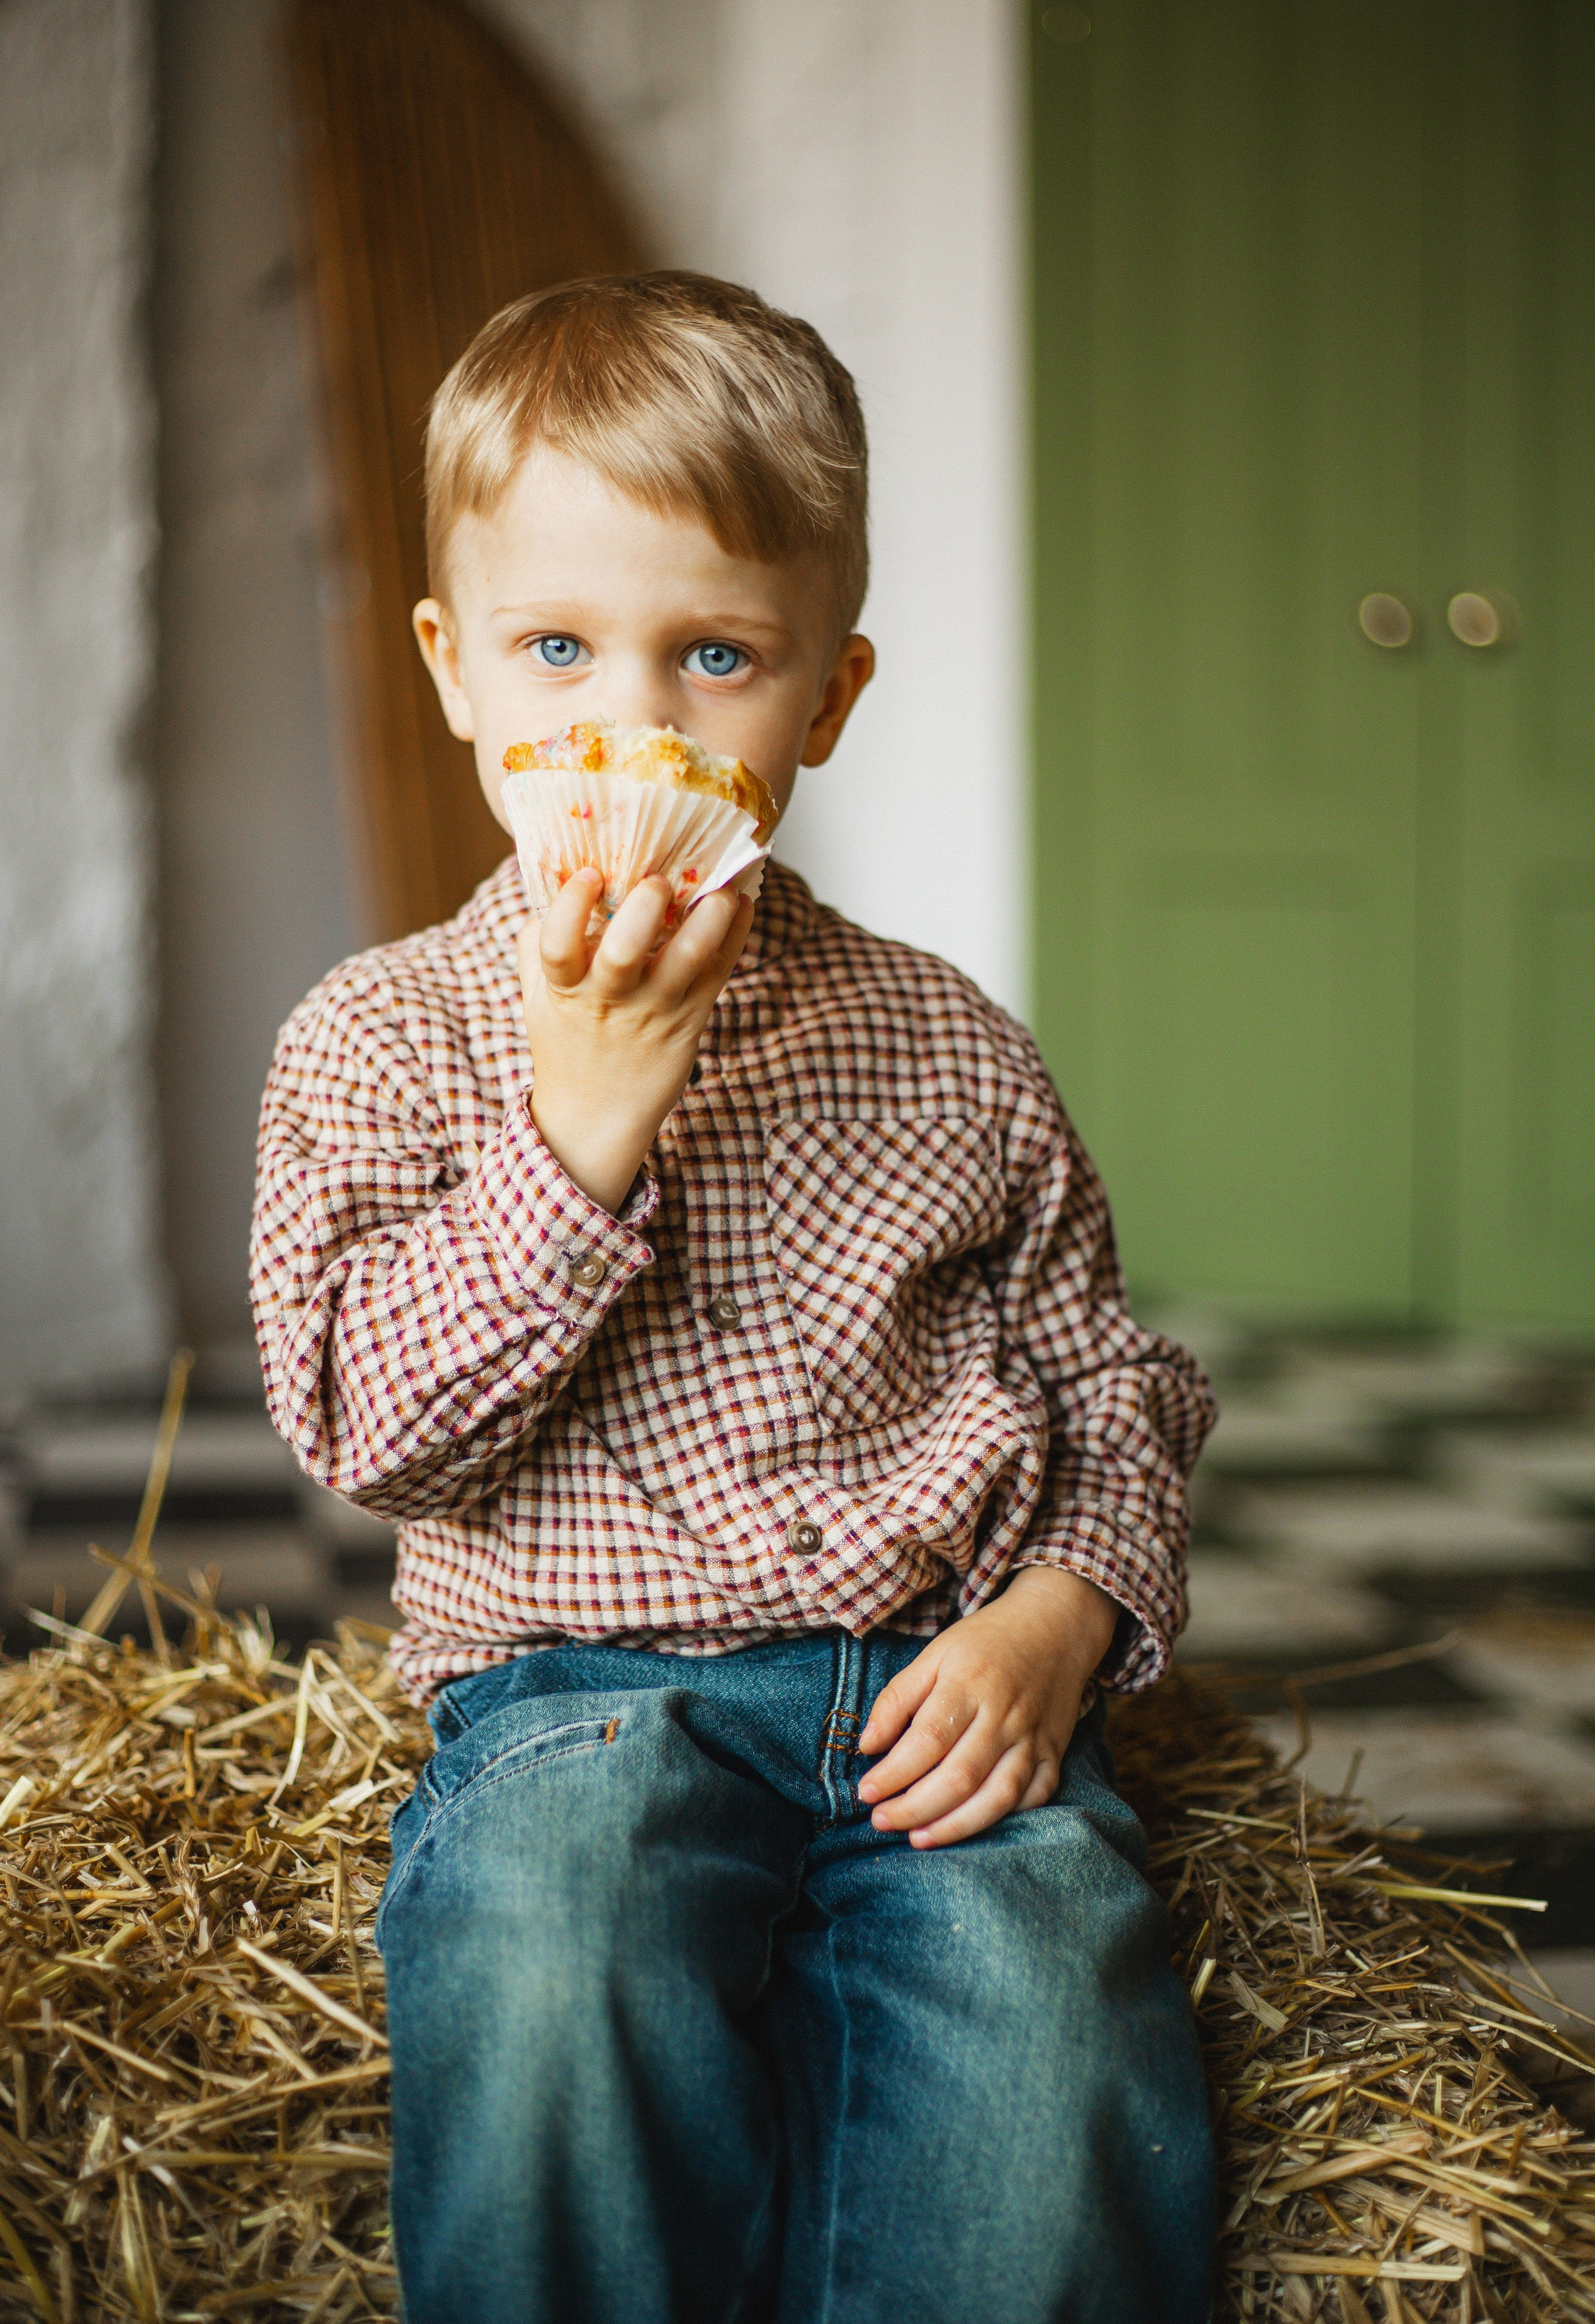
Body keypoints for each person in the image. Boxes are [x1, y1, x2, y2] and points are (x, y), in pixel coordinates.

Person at [252, 271, 1218, 2324]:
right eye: (556, 648)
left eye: (717, 655)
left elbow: (1107, 1384)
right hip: (578, 1697)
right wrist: (578, 1124)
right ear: (450, 669)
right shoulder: (380, 1038)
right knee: (549, 1945)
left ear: (829, 700)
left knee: (1056, 2031)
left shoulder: (948, 1044)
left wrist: (1065, 1616)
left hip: (936, 1687)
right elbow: (368, 1426)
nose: (637, 723)